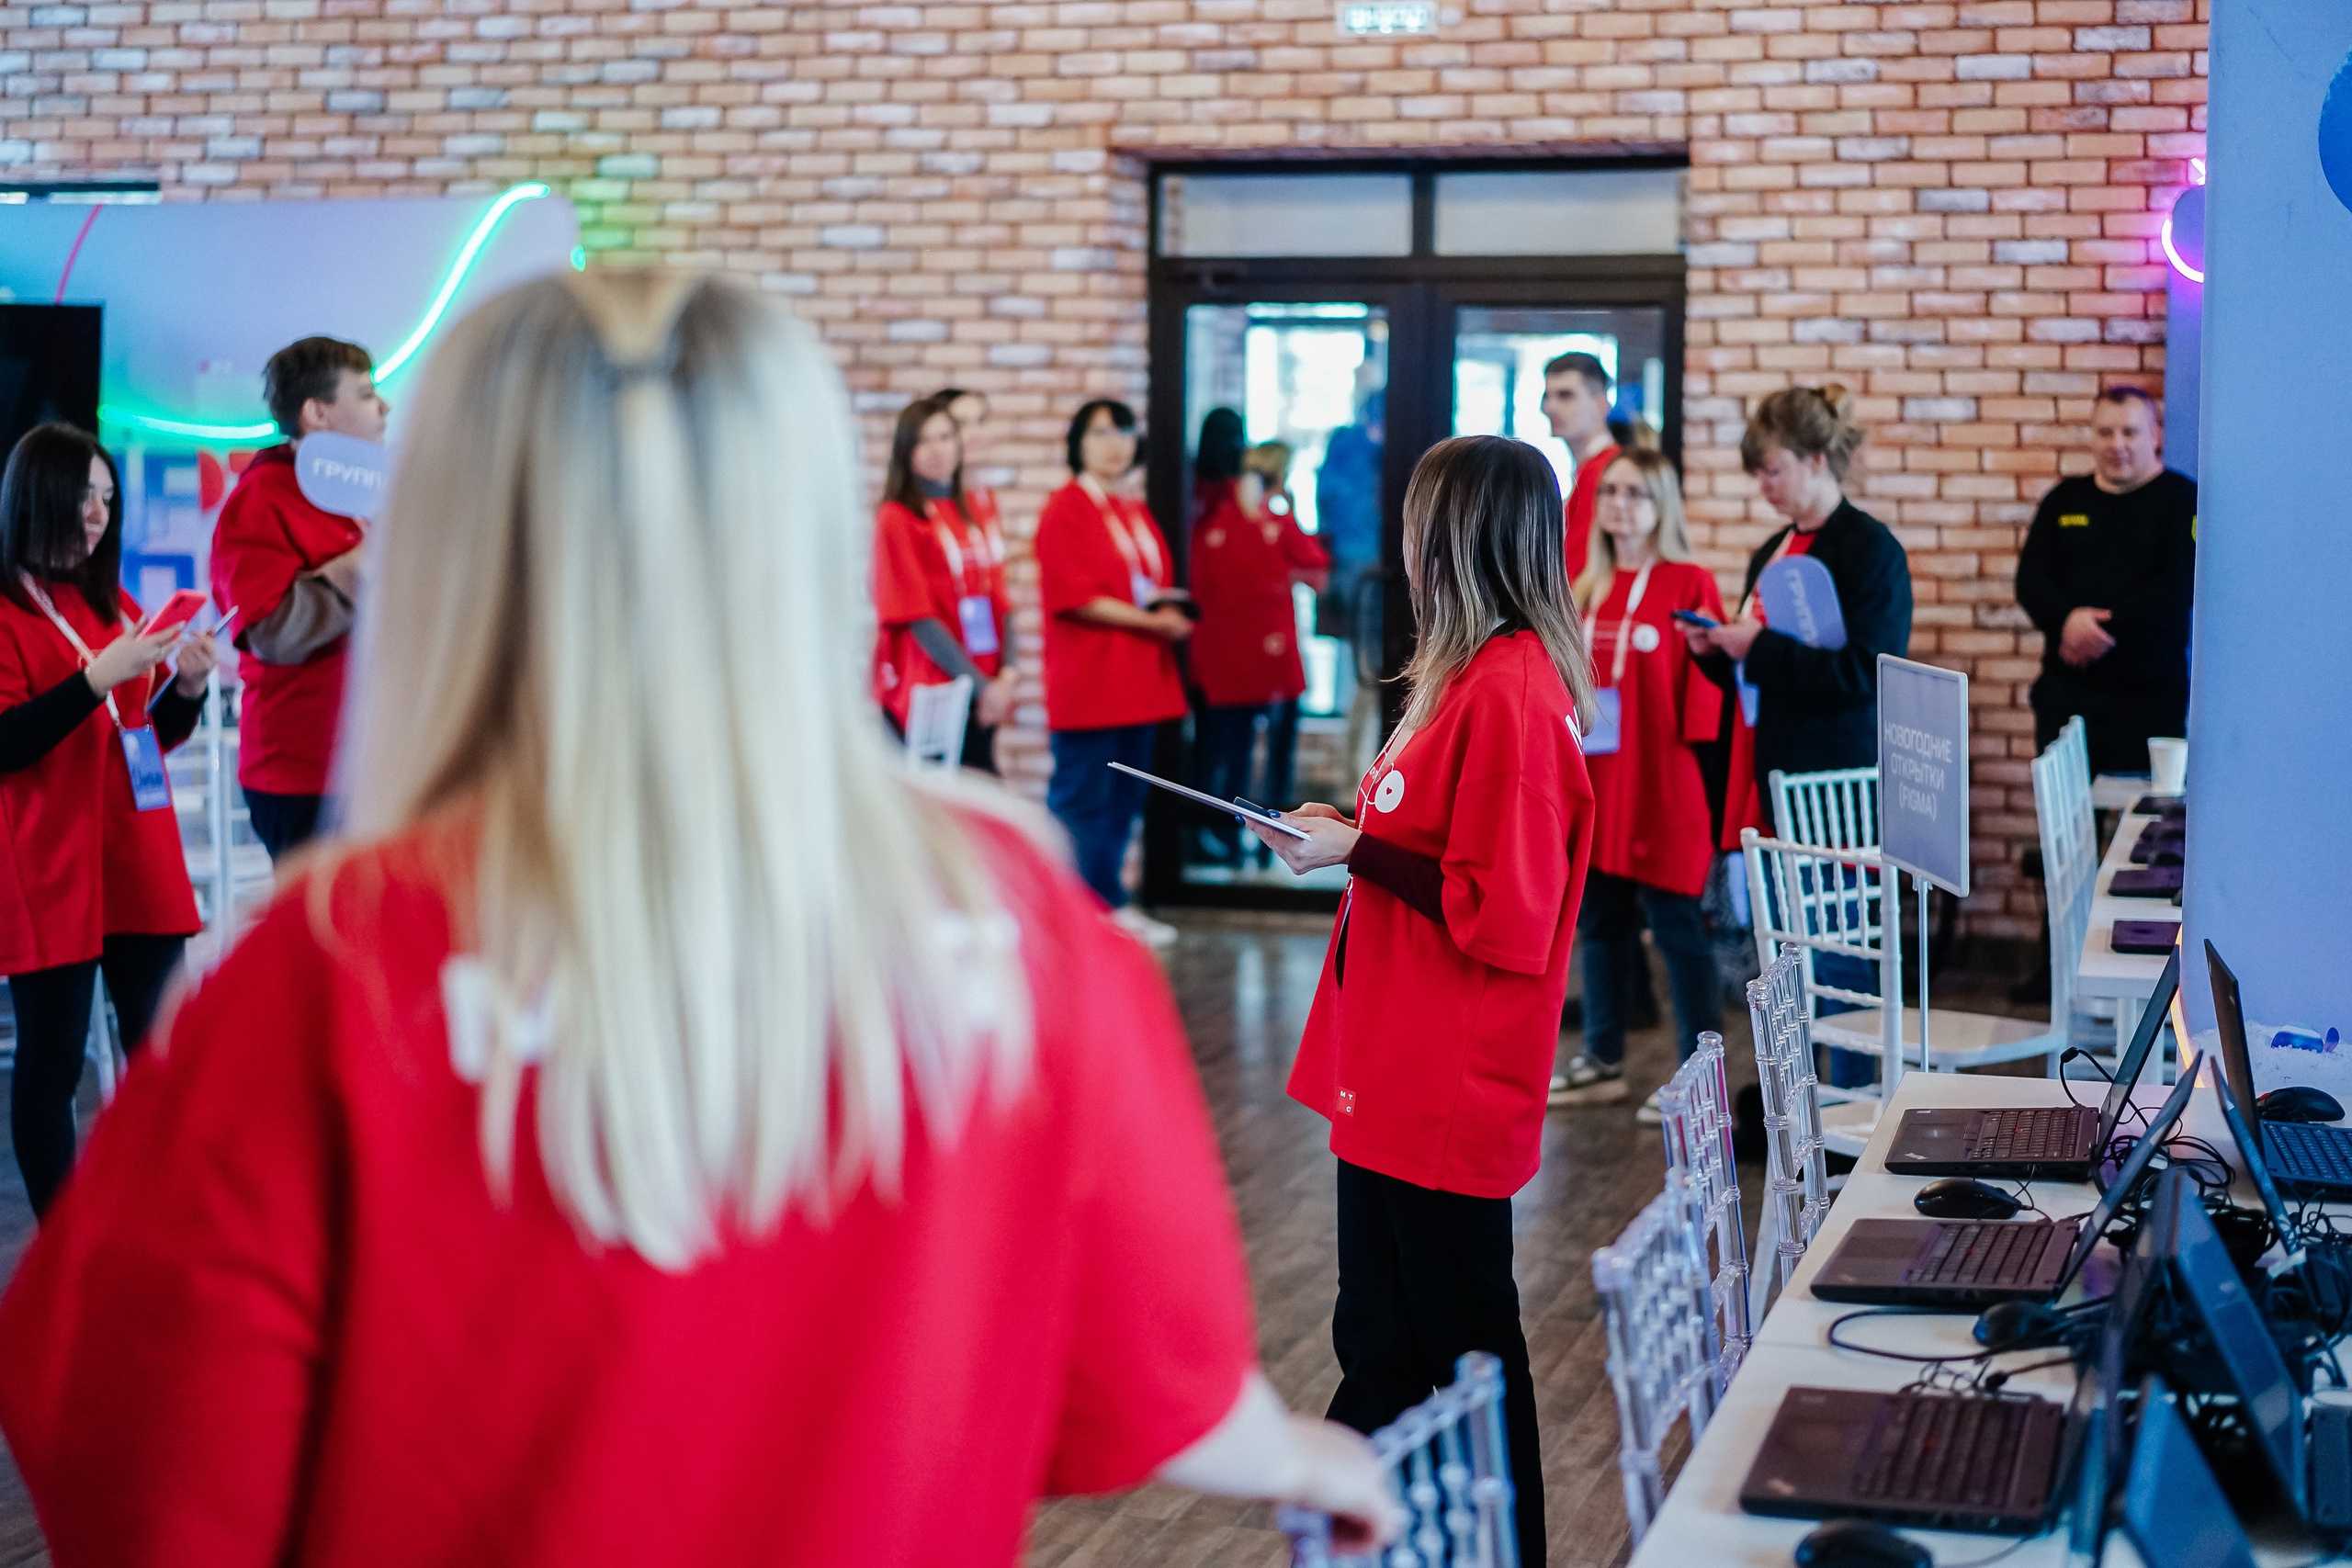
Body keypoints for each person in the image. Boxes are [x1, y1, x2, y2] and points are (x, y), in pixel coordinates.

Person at [0, 271, 1400, 1565]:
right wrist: (1305, 1458)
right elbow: (1154, 1375)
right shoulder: (1014, 914)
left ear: (455, 542)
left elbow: (134, 1463)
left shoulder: (327, 967)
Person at [1247, 434, 1599, 1568]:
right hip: (1394, 1054)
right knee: (1381, 1337)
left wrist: (1359, 852)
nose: (1403, 551)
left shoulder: (1512, 693)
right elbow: (1432, 840)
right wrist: (1351, 833)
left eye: (1416, 527)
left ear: (1457, 539)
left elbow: (1506, 910)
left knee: (1458, 1344)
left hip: (1444, 1072)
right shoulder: (1464, 675)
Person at [0, 423, 219, 1215]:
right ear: (38, 497)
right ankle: (67, 1239)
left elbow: (143, 734)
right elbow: (7, 741)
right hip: (52, 865)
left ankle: (164, 1216)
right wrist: (95, 677)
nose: (97, 514)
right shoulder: (7, 609)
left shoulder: (113, 601)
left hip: (137, 855)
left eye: (106, 497)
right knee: (54, 1060)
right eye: (82, 495)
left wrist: (186, 689)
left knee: (163, 1049)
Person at [1685, 384, 1912, 1087]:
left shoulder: (1869, 550)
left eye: (1773, 469)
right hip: (1772, 776)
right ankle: (1800, 1117)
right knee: (1786, 965)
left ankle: (1858, 1112)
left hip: (1834, 790)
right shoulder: (1773, 549)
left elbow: (1865, 674)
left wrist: (1756, 647)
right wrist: (1716, 653)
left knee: (1840, 966)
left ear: (1817, 459)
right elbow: (1760, 676)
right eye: (1758, 472)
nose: (1763, 485)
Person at [1547, 451, 1728, 1120]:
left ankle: (1698, 1078)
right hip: (1598, 778)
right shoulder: (1583, 585)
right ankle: (1603, 1060)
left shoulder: (1689, 582)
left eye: (1635, 493)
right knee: (1600, 920)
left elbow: (1712, 691)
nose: (1619, 504)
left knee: (1678, 927)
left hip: (1663, 780)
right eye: (1610, 492)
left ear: (1662, 504)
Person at [209, 334, 387, 862]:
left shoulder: (365, 495)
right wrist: (366, 562)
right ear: (317, 412)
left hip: (369, 759)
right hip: (306, 774)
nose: (384, 407)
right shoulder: (264, 495)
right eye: (365, 394)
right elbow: (271, 631)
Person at [1035, 399, 1191, 945]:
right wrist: (1155, 623)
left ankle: (1107, 905)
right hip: (1092, 682)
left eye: (1124, 432)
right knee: (1082, 804)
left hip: (1138, 681)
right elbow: (1075, 596)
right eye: (1101, 432)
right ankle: (1070, 922)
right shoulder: (1066, 508)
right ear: (1078, 441)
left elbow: (1142, 586)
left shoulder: (1130, 509)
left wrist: (1169, 610)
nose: (1115, 443)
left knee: (1123, 802)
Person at [2014, 386, 2196, 776]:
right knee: (2064, 815)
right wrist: (2067, 622)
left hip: (2148, 707)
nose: (2117, 445)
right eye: (2105, 432)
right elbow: (2030, 580)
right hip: (2065, 703)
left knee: (2142, 815)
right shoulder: (2064, 499)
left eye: (2130, 432)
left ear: (2155, 435)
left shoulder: (2182, 501)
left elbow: (2176, 588)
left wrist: (2094, 631)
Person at [1189, 441, 1329, 863]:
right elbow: (1317, 573)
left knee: (1236, 754)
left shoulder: (1218, 521)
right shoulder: (1258, 520)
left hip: (1241, 659)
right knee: (1266, 756)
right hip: (1257, 657)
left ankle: (1237, 842)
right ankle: (1265, 844)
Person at [870, 395, 1016, 772]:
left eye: (946, 437)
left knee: (978, 789)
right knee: (933, 799)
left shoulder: (978, 507)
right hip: (932, 686)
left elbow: (1001, 598)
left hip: (984, 682)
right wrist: (983, 688)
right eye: (923, 440)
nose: (937, 450)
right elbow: (917, 616)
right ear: (905, 451)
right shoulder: (897, 517)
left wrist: (1008, 676)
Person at [1542, 350, 1619, 578]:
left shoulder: (1610, 472)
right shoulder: (1587, 469)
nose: (1549, 407)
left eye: (1566, 395)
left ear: (1600, 404)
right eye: (1547, 396)